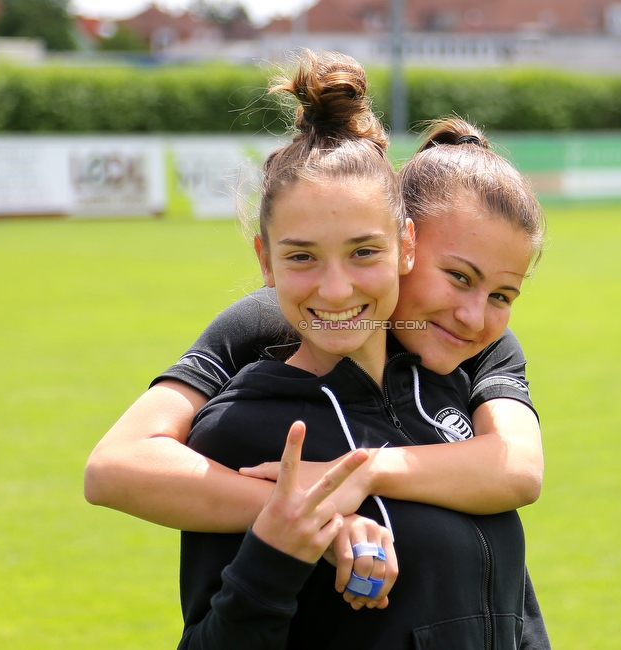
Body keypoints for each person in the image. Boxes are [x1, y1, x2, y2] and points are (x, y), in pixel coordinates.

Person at [84, 53, 550, 646]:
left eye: (363, 252)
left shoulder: (461, 361)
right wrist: (297, 520)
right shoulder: (248, 377)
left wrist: (345, 477)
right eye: (458, 276)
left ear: (399, 247)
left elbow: (517, 475)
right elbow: (113, 469)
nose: (474, 313)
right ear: (267, 262)